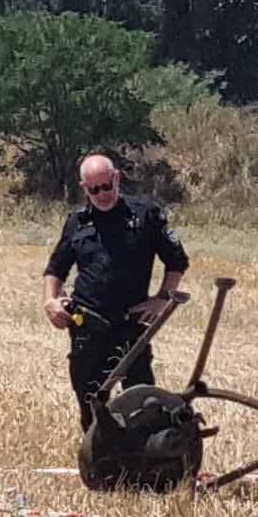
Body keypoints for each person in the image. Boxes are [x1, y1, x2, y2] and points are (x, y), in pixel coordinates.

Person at [42, 153, 189, 429]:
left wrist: (162, 299)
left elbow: (177, 261)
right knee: (92, 411)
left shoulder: (147, 216)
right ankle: (103, 467)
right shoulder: (77, 222)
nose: (101, 195)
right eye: (93, 189)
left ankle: (144, 466)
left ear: (117, 178)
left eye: (106, 186)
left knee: (144, 406)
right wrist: (50, 301)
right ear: (84, 188)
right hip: (88, 329)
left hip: (132, 327)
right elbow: (55, 270)